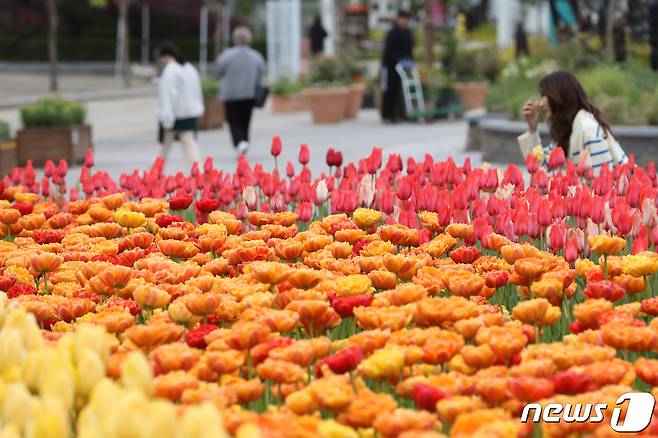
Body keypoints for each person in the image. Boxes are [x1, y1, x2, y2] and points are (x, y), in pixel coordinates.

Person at [518, 70, 627, 172]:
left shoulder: (588, 129)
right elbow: (541, 167)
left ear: (559, 96)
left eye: (544, 96)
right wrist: (532, 129)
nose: (540, 104)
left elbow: (602, 181)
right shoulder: (569, 129)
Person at [215, 26, 266, 156]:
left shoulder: (227, 55)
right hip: (249, 93)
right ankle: (244, 142)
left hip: (230, 94)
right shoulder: (256, 56)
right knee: (245, 120)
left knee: (233, 120)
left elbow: (218, 70)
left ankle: (239, 142)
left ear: (235, 39)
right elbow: (261, 73)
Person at [156, 42, 204, 170]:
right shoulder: (189, 68)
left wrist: (165, 116)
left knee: (164, 145)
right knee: (189, 144)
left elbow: (167, 96)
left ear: (165, 56)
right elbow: (197, 91)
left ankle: (155, 172)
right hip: (189, 113)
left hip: (174, 114)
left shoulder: (170, 71)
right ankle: (197, 170)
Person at [381, 10, 414, 123]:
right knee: (390, 89)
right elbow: (389, 50)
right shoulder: (392, 32)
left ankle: (401, 113)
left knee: (401, 89)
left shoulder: (408, 32)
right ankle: (388, 115)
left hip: (402, 65)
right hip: (390, 65)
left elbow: (409, 48)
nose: (405, 22)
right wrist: (397, 60)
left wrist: (409, 61)